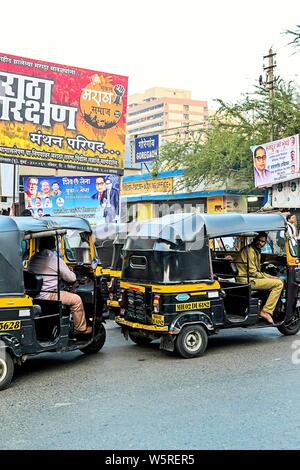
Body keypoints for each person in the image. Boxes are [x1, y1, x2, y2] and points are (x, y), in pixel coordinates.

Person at [28, 236, 92, 335]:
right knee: (76, 300)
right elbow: (71, 278)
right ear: (53, 245)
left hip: (34, 294)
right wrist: (70, 272)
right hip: (48, 295)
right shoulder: (55, 260)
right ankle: (80, 329)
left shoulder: (33, 258)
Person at [235, 232, 284, 324]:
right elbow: (253, 272)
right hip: (247, 279)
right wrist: (269, 277)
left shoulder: (255, 250)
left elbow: (257, 271)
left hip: (250, 277)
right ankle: (266, 311)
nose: (261, 243)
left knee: (277, 280)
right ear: (255, 239)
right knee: (279, 284)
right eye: (259, 240)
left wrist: (269, 277)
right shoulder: (250, 250)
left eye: (263, 242)